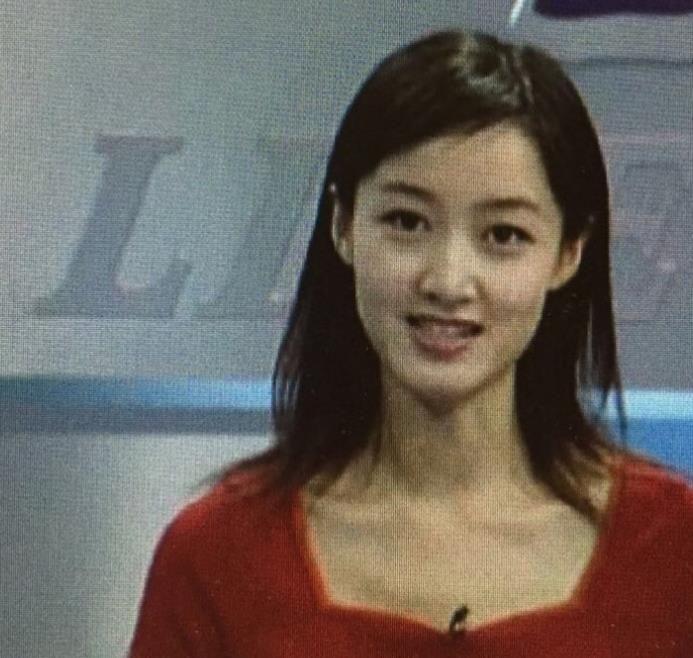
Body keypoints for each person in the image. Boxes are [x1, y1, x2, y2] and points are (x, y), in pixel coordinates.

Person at [129, 29, 692, 656]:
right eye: (406, 222)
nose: (447, 281)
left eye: (503, 235)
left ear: (568, 254)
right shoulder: (218, 555)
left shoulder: (673, 548)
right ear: (344, 226)